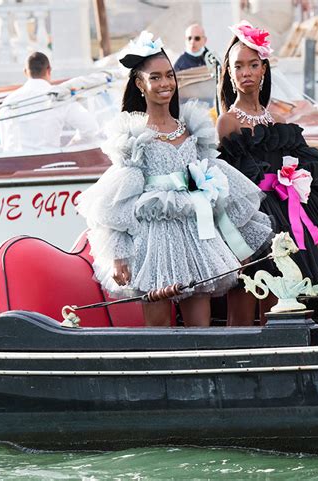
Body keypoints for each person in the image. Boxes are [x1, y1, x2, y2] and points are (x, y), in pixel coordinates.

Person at [77, 31, 273, 328]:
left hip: (197, 238)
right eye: (155, 77)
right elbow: (117, 202)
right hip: (152, 241)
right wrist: (119, 256)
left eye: (169, 75)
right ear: (140, 84)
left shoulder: (193, 129)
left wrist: (237, 244)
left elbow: (216, 187)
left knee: (202, 330)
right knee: (158, 332)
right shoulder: (134, 137)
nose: (165, 83)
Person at [216, 21, 318, 326]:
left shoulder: (279, 120)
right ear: (230, 73)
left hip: (289, 213)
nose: (246, 72)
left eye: (253, 65)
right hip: (252, 217)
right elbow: (227, 185)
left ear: (263, 69)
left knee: (287, 299)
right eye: (239, 66)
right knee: (248, 296)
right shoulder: (227, 122)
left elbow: (304, 179)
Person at [0, 51, 99, 153]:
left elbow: (5, 143)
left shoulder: (9, 101)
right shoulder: (59, 96)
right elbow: (90, 128)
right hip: (49, 163)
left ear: (25, 72)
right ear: (49, 70)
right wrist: (68, 148)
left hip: (15, 164)